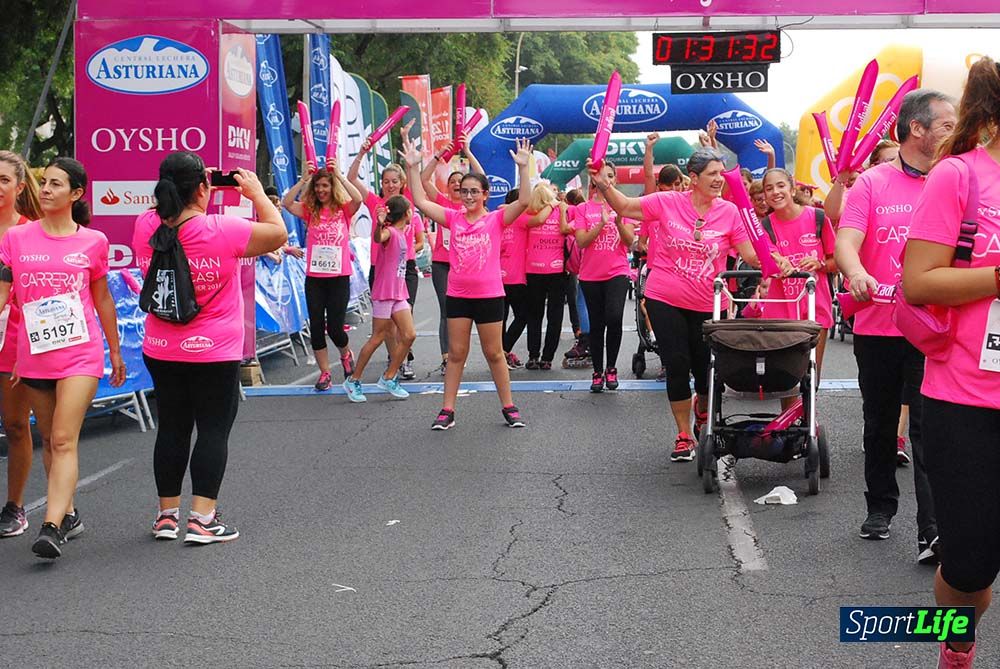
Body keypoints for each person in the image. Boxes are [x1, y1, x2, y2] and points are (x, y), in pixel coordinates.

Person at [902, 55, 1000, 668]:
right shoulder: (960, 176)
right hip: (967, 400)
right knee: (970, 565)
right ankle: (956, 643)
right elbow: (918, 282)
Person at [134, 151, 286, 545]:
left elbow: (159, 225)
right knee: (213, 430)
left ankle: (166, 517)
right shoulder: (223, 229)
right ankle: (202, 520)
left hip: (161, 346)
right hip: (214, 350)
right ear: (203, 188)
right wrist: (255, 193)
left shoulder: (144, 226)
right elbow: (278, 232)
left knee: (171, 428)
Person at [834, 88, 956, 558]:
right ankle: (880, 506)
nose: (952, 131)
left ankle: (933, 528)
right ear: (916, 129)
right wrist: (857, 272)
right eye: (944, 124)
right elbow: (848, 239)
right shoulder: (872, 183)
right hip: (878, 325)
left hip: (933, 327)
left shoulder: (953, 178)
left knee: (928, 425)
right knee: (880, 422)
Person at [593, 148, 765, 461]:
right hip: (664, 296)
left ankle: (702, 415)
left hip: (706, 303)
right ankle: (684, 434)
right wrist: (604, 185)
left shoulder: (729, 212)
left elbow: (751, 256)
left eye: (721, 173)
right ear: (694, 178)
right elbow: (625, 205)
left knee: (704, 370)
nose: (718, 179)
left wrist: (773, 260)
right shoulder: (667, 202)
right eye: (712, 174)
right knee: (677, 363)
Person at [0, 157, 125, 558]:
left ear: (76, 194)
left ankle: (50, 526)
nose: (47, 189)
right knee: (50, 441)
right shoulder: (16, 240)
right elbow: (4, 293)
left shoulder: (93, 241)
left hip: (79, 353)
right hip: (35, 354)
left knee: (62, 438)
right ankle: (68, 513)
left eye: (56, 183)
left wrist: (115, 349)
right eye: (44, 182)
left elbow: (102, 297)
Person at [403, 136, 532, 430]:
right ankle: (447, 410)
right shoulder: (453, 218)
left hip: (489, 296)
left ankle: (509, 407)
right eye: (464, 192)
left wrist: (523, 169)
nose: (469, 196)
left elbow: (524, 201)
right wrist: (412, 167)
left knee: (494, 353)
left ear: (486, 195)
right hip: (459, 296)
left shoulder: (497, 219)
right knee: (457, 354)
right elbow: (421, 201)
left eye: (474, 191)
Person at [284, 161, 363, 391]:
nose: (321, 190)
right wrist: (303, 180)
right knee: (317, 327)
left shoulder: (343, 210)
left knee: (335, 328)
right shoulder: (310, 211)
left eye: (325, 186)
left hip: (338, 277)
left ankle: (346, 354)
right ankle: (325, 373)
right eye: (317, 186)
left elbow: (358, 199)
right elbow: (287, 203)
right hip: (315, 278)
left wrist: (339, 175)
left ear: (332, 187)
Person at [759, 168, 838, 381]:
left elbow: (837, 262)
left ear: (792, 189)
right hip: (781, 312)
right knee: (786, 378)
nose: (775, 192)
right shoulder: (764, 226)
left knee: (811, 376)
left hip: (816, 308)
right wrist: (777, 262)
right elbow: (766, 259)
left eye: (781, 185)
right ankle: (789, 415)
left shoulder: (818, 218)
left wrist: (819, 264)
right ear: (764, 195)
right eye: (769, 188)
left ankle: (810, 415)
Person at [420, 132, 486, 377]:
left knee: (464, 312)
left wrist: (467, 152)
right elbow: (424, 180)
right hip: (442, 263)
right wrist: (438, 156)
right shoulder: (443, 205)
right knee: (445, 308)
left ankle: (459, 353)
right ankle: (447, 356)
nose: (458, 187)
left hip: (467, 267)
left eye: (462, 183)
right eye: (454, 184)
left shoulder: (473, 206)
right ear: (449, 188)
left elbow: (482, 178)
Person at [0, 151, 41, 539]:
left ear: (19, 186)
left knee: (15, 425)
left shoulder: (33, 233)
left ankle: (14, 505)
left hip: (16, 342)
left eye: (3, 180)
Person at [342, 196, 416, 402]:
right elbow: (378, 238)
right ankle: (353, 380)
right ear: (407, 213)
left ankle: (389, 377)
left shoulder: (403, 232)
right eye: (410, 210)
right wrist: (380, 222)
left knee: (409, 335)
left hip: (399, 292)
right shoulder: (390, 233)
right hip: (384, 293)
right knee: (378, 337)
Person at [574, 162, 636, 392]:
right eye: (602, 175)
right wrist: (600, 223)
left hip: (617, 272)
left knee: (614, 316)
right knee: (597, 324)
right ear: (594, 180)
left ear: (615, 180)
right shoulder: (583, 209)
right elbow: (581, 242)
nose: (606, 179)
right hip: (590, 275)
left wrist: (618, 221)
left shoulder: (624, 207)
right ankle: (598, 371)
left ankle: (611, 368)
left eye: (610, 176)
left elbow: (630, 243)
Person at [524, 183, 570, 370]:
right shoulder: (560, 211)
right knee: (554, 316)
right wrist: (557, 205)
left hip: (535, 270)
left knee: (534, 316)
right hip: (556, 271)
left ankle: (534, 355)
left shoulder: (528, 213)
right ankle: (547, 358)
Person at [500, 189, 529, 369]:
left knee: (500, 320)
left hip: (497, 276)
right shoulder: (523, 220)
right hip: (516, 277)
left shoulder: (498, 218)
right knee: (523, 316)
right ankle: (503, 351)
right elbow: (540, 218)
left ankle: (502, 353)